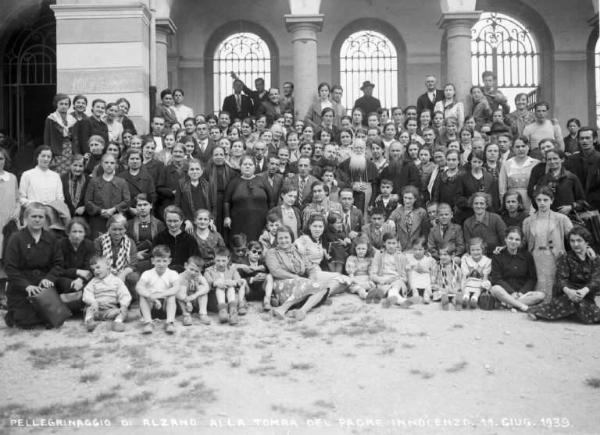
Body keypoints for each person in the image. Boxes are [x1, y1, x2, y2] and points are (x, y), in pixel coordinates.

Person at [4, 203, 64, 328]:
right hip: (21, 286)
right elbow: (10, 267)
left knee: (54, 321)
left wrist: (49, 278)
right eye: (34, 216)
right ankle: (13, 313)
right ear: (26, 218)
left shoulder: (51, 238)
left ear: (45, 219)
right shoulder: (16, 238)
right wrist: (26, 286)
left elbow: (58, 264)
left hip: (43, 285)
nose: (37, 220)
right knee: (27, 323)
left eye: (41, 217)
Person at [528, 226, 600, 324]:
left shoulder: (594, 259)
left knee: (587, 308)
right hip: (567, 294)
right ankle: (538, 311)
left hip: (585, 295)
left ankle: (573, 312)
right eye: (572, 241)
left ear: (586, 242)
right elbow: (561, 279)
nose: (575, 244)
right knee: (571, 302)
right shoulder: (565, 258)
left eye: (579, 241)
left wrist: (584, 291)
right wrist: (570, 292)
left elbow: (596, 279)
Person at [264, 226, 329, 321]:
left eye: (286, 237)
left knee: (323, 287)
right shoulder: (272, 252)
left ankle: (302, 311)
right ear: (277, 240)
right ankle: (283, 308)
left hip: (300, 283)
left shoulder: (297, 251)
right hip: (281, 284)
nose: (283, 240)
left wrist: (311, 279)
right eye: (280, 238)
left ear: (291, 238)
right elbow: (275, 271)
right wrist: (294, 276)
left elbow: (310, 268)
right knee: (315, 288)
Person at [523, 186, 573, 302]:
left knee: (553, 285)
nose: (542, 203)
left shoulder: (561, 219)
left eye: (545, 200)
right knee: (538, 284)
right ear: (535, 201)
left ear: (552, 200)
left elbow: (575, 236)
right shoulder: (528, 221)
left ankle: (552, 304)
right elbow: (523, 241)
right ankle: (537, 304)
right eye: (539, 200)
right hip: (535, 256)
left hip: (554, 256)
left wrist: (587, 247)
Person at [489, 226, 544, 312]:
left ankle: (509, 304)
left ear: (521, 242)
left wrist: (521, 292)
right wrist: (511, 292)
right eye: (510, 238)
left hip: (521, 294)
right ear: (505, 239)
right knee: (495, 289)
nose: (513, 242)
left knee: (541, 295)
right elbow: (496, 278)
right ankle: (521, 306)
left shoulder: (527, 256)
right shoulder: (498, 255)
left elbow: (532, 278)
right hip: (505, 292)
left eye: (517, 239)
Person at [19, 145, 70, 231]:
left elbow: (60, 198)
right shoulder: (27, 175)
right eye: (43, 156)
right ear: (37, 157)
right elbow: (21, 198)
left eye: (48, 156)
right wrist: (35, 206)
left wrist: (51, 207)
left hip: (52, 216)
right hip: (33, 214)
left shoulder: (56, 176)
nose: (46, 159)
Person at [224, 155, 274, 243]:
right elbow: (226, 201)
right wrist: (227, 216)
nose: (247, 166)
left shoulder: (262, 181)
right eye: (245, 164)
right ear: (240, 166)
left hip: (260, 221)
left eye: (250, 164)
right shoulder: (234, 182)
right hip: (239, 221)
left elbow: (271, 201)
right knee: (240, 244)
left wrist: (270, 219)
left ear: (255, 167)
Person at [136, 245, 180, 334]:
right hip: (150, 306)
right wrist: (150, 296)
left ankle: (170, 322)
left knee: (172, 295)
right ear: (153, 261)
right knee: (143, 296)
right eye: (158, 261)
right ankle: (148, 322)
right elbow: (139, 287)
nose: (161, 264)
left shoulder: (172, 273)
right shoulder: (147, 273)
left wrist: (161, 295)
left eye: (164, 261)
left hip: (165, 306)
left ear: (169, 261)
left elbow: (176, 287)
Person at [84, 153, 130, 237]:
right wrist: (100, 211)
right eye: (106, 162)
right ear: (101, 164)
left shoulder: (122, 182)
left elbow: (127, 201)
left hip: (117, 221)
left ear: (116, 165)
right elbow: (88, 201)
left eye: (112, 163)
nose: (109, 165)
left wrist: (113, 209)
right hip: (98, 220)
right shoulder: (94, 182)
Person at [82, 256, 131, 333]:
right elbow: (87, 293)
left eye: (98, 267)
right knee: (88, 309)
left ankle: (117, 322)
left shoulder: (116, 281)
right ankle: (89, 322)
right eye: (93, 269)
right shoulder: (93, 282)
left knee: (123, 311)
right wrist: (93, 302)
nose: (95, 271)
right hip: (96, 309)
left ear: (108, 266)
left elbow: (124, 294)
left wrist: (123, 304)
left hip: (110, 310)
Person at [530, 147, 585, 214]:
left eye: (555, 158)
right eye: (549, 159)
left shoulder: (571, 178)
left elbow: (582, 201)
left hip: (568, 218)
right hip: (548, 217)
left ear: (562, 159)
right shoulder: (542, 179)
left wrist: (571, 207)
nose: (552, 161)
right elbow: (535, 201)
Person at [204, 247, 246, 325]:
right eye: (218, 260)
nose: (221, 263)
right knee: (220, 286)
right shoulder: (208, 271)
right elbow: (208, 282)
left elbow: (239, 281)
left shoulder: (232, 269)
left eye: (224, 261)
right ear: (214, 259)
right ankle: (222, 311)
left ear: (228, 259)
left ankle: (233, 312)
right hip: (215, 300)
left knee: (231, 286)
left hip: (230, 298)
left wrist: (232, 282)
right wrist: (215, 283)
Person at [55, 218, 95, 299]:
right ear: (68, 232)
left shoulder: (89, 245)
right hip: (64, 278)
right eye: (74, 231)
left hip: (84, 278)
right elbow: (58, 269)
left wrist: (80, 279)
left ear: (85, 233)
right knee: (71, 286)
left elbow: (90, 268)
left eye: (80, 232)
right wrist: (77, 272)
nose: (77, 235)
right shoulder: (60, 244)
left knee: (90, 287)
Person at [498, 136, 539, 212]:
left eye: (523, 146)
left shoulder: (535, 163)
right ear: (513, 148)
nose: (520, 149)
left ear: (528, 147)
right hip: (512, 201)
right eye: (517, 147)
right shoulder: (506, 164)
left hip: (530, 200)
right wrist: (503, 203)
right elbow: (502, 187)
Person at [368, 234, 411, 307]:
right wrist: (383, 280)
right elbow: (372, 274)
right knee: (385, 288)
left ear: (397, 244)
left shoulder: (401, 256)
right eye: (389, 243)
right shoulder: (378, 255)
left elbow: (404, 277)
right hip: (383, 280)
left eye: (394, 243)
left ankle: (394, 295)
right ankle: (398, 299)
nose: (391, 246)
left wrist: (396, 279)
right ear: (384, 243)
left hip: (397, 280)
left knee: (397, 285)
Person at [153, 206, 199, 273]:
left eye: (175, 221)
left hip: (185, 275)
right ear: (165, 220)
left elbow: (195, 261)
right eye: (169, 221)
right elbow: (154, 259)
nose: (172, 224)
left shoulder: (190, 240)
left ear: (181, 221)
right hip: (163, 274)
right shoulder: (158, 238)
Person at [565, 127, 600, 210]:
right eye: (582, 138)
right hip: (575, 205)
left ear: (594, 139)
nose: (584, 141)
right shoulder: (571, 160)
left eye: (588, 138)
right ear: (578, 140)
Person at [204, 146, 236, 235]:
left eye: (221, 154)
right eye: (216, 155)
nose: (219, 157)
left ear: (225, 156)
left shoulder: (231, 170)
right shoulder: (207, 170)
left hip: (228, 200)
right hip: (212, 200)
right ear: (212, 156)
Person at [175, 159, 212, 233]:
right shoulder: (181, 184)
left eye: (197, 169)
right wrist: (186, 220)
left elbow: (212, 205)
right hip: (188, 223)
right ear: (188, 171)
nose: (195, 172)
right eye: (192, 169)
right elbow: (177, 205)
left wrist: (210, 220)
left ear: (202, 171)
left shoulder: (207, 185)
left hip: (203, 221)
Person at [44, 93, 78, 174]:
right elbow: (47, 137)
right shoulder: (51, 118)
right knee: (58, 174)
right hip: (57, 150)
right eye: (61, 104)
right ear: (56, 104)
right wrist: (48, 152)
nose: (64, 106)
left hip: (69, 150)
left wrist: (75, 152)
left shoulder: (72, 119)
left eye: (66, 104)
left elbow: (74, 138)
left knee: (69, 174)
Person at [236, 241, 274, 310]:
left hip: (261, 290)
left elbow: (270, 270)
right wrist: (252, 279)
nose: (256, 254)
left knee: (269, 276)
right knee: (242, 281)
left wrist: (264, 275)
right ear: (248, 251)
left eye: (259, 253)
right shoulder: (242, 262)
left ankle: (267, 300)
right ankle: (241, 303)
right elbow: (238, 278)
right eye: (254, 251)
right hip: (248, 291)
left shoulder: (262, 262)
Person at [387, 185, 427, 251]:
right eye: (405, 198)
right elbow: (389, 230)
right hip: (400, 249)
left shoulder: (422, 212)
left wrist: (419, 244)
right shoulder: (396, 212)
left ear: (415, 199)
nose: (407, 201)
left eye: (410, 198)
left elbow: (425, 233)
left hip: (416, 249)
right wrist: (396, 243)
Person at [174, 256, 210, 326]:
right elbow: (176, 292)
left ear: (200, 271)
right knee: (180, 288)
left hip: (194, 301)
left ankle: (203, 313)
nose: (193, 273)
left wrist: (195, 295)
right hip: (184, 302)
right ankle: (186, 315)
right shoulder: (180, 276)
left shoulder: (199, 276)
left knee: (202, 288)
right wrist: (186, 300)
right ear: (185, 266)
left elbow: (207, 287)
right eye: (191, 269)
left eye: (197, 271)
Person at [0, 148, 20, 264]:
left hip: (9, 220)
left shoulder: (12, 178)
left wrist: (16, 212)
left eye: (1, 158)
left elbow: (17, 199)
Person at [460, 237, 492, 309]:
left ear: (482, 250)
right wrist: (463, 287)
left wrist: (484, 286)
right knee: (466, 289)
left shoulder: (487, 261)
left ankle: (474, 299)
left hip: (480, 281)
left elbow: (485, 276)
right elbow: (465, 274)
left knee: (480, 289)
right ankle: (465, 297)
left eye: (478, 250)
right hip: (468, 280)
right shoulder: (466, 260)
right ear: (469, 251)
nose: (475, 252)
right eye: (472, 250)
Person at [405, 237, 437, 304]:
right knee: (411, 273)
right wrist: (413, 268)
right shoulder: (408, 258)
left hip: (425, 280)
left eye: (420, 249)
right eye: (415, 249)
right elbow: (406, 269)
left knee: (427, 275)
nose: (417, 252)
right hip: (414, 280)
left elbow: (434, 271)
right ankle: (414, 292)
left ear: (425, 250)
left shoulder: (429, 260)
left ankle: (427, 294)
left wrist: (425, 270)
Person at [432, 243, 462, 309]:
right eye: (440, 255)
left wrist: (457, 288)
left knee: (457, 295)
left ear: (452, 255)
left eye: (445, 254)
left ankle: (456, 302)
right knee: (439, 293)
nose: (442, 257)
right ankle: (445, 302)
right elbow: (433, 278)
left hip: (453, 289)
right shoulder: (437, 266)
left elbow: (460, 280)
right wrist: (435, 285)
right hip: (441, 288)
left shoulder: (456, 268)